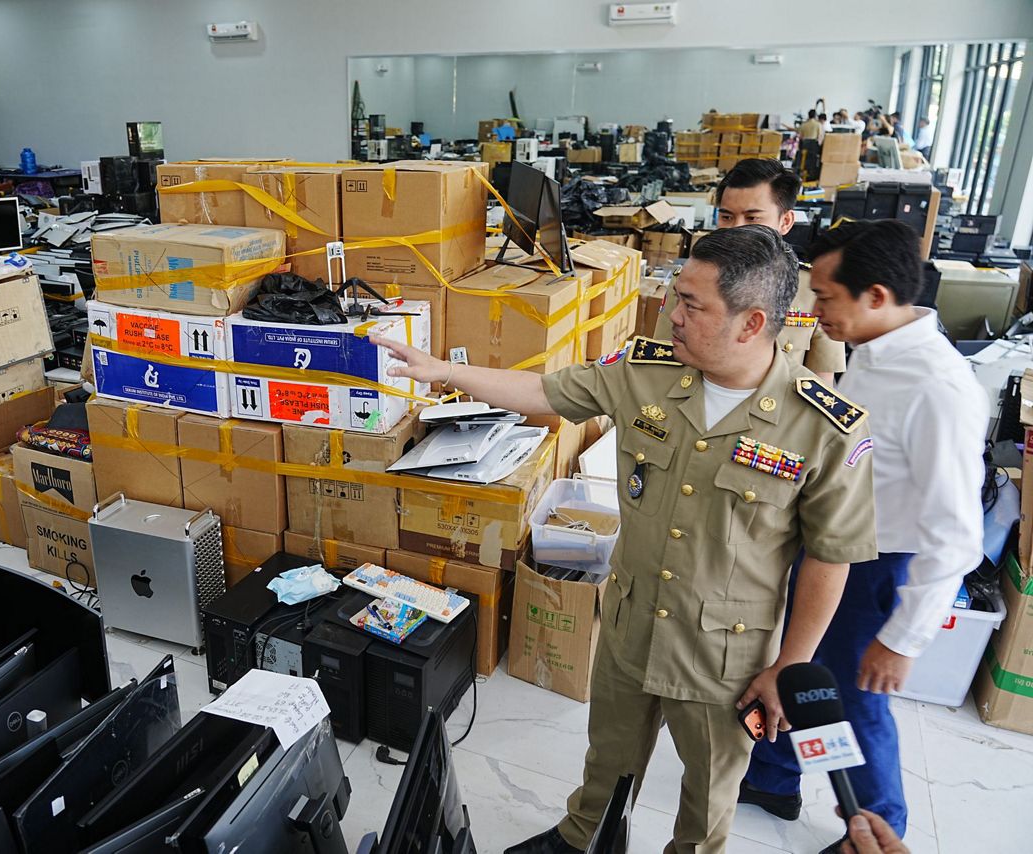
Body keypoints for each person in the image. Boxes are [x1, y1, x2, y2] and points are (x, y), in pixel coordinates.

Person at [375, 225, 879, 854]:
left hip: (723, 657)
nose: (672, 313)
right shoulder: (645, 372)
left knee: (709, 794)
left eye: (691, 304)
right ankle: (582, 838)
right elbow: (545, 392)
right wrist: (443, 370)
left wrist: (789, 664)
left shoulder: (824, 427)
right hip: (631, 624)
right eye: (675, 296)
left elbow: (830, 559)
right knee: (609, 757)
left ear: (751, 324)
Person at [739, 219, 987, 850]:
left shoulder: (937, 388)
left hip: (879, 567)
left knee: (854, 701)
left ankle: (879, 828)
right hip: (835, 547)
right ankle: (773, 776)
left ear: (875, 295)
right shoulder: (875, 350)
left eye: (825, 297)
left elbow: (957, 536)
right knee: (796, 667)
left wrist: (902, 640)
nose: (815, 310)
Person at [654, 158, 847, 384]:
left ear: (785, 221)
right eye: (727, 217)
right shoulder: (687, 283)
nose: (736, 229)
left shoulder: (815, 290)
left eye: (752, 218)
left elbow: (821, 382)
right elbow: (661, 361)